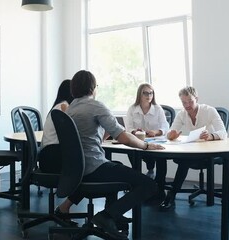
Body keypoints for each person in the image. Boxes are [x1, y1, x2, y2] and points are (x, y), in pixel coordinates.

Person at [61, 70, 164, 239]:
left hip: (76, 169)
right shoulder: (96, 106)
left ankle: (112, 214)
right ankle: (107, 216)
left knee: (118, 168)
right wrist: (146, 146)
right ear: (93, 88)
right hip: (93, 168)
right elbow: (123, 137)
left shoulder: (70, 108)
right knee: (149, 185)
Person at [160, 86, 228, 210]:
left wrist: (211, 136)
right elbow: (170, 132)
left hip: (211, 152)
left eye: (190, 101)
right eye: (183, 102)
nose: (187, 105)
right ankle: (171, 194)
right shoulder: (182, 114)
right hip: (194, 151)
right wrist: (171, 135)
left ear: (196, 98)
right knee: (184, 159)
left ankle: (172, 194)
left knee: (184, 161)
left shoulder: (209, 110)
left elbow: (223, 132)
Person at [37, 79, 76, 218]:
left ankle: (65, 206)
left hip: (47, 156)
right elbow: (73, 135)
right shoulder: (64, 107)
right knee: (87, 170)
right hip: (54, 157)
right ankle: (65, 207)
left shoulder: (58, 106)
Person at [125, 83, 169, 200]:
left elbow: (165, 127)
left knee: (161, 157)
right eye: (145, 93)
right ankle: (138, 183)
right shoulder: (132, 109)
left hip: (155, 142)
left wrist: (156, 132)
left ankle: (159, 187)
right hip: (139, 143)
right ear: (139, 94)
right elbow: (128, 128)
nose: (149, 95)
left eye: (151, 93)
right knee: (131, 152)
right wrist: (135, 132)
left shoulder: (158, 109)